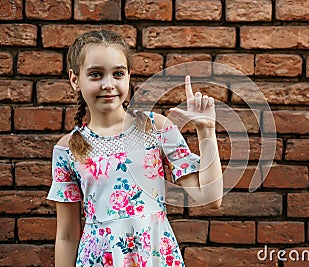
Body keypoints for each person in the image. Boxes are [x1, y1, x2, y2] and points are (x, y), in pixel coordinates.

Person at [46, 30, 223, 267]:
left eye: (118, 73)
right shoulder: (67, 149)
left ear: (129, 76)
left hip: (155, 258)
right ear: (75, 79)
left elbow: (210, 198)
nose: (108, 84)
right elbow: (66, 236)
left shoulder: (157, 128)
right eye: (96, 74)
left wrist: (207, 132)